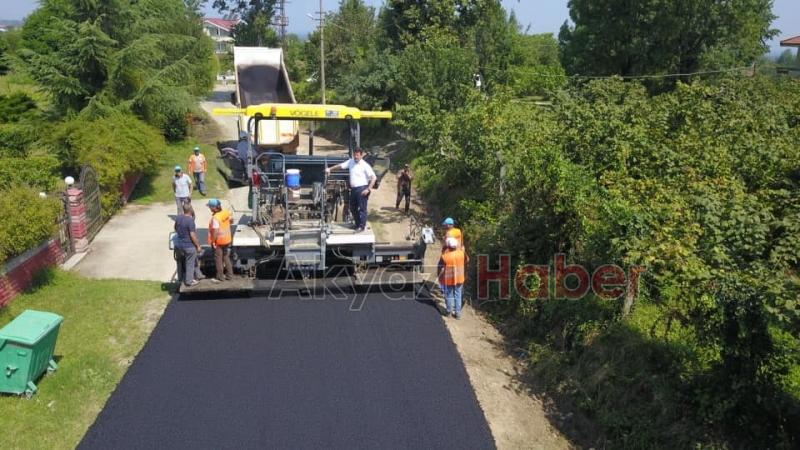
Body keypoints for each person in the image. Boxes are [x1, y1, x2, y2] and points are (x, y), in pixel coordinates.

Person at [325, 147, 376, 232]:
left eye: (357, 155)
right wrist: (330, 169)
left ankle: (361, 226)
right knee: (352, 208)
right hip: (354, 189)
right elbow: (340, 166)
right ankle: (357, 224)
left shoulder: (365, 165)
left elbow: (374, 178)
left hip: (362, 188)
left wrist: (368, 189)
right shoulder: (351, 161)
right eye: (354, 155)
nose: (356, 157)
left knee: (362, 209)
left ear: (361, 155)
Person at [174, 203, 202, 287]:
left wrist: (181, 233)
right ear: (191, 210)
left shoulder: (179, 218)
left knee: (194, 259)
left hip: (180, 246)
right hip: (189, 246)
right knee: (190, 263)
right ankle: (189, 281)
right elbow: (192, 235)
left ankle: (199, 275)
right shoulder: (190, 221)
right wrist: (198, 246)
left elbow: (175, 227)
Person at [439, 237, 467, 319]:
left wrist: (440, 276)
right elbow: (466, 260)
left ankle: (448, 312)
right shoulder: (461, 253)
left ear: (448, 246)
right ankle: (458, 314)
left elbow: (441, 267)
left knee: (449, 295)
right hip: (460, 277)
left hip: (449, 278)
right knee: (458, 295)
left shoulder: (445, 256)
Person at [207, 198, 234, 282]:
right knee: (226, 257)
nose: (209, 208)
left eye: (210, 207)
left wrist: (213, 241)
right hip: (227, 239)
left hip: (219, 241)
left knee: (218, 259)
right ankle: (230, 275)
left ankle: (220, 277)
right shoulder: (225, 212)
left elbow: (215, 231)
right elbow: (231, 221)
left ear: (214, 208)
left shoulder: (216, 218)